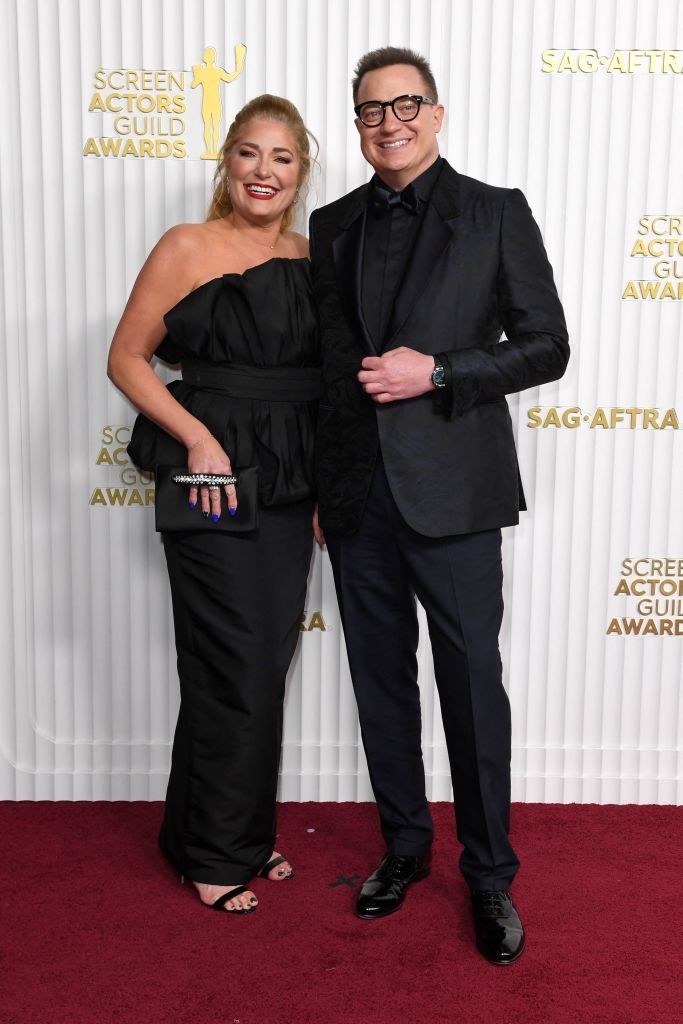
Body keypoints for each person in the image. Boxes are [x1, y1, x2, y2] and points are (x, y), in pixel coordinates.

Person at [309, 47, 569, 963]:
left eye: (406, 103)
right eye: (372, 109)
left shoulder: (494, 212)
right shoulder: (331, 223)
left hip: (454, 493)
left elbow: (546, 347)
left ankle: (489, 875)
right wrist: (323, 483)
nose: (391, 121)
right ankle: (404, 848)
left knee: (468, 687)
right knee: (379, 687)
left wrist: (443, 370)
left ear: (437, 111)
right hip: (356, 499)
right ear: (357, 124)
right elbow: (328, 371)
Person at [107, 94, 319, 914]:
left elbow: (312, 385)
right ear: (226, 162)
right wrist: (195, 436)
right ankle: (215, 855)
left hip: (286, 483)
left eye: (282, 158)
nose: (263, 172)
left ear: (300, 171)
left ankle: (215, 831)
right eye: (249, 154)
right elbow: (127, 359)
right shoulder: (186, 246)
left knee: (263, 663)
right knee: (228, 660)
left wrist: (318, 492)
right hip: (212, 480)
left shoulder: (309, 255)